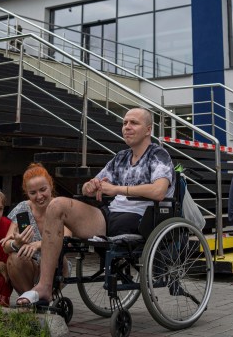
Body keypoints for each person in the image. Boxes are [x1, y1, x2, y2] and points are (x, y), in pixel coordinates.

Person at [16, 106, 173, 308]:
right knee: (56, 205)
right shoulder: (121, 158)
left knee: (75, 206)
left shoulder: (159, 155)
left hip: (141, 219)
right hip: (109, 216)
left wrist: (117, 189)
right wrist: (91, 186)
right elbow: (95, 184)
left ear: (148, 129)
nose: (127, 127)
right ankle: (44, 287)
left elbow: (159, 191)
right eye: (124, 123)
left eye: (134, 123)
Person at [0, 163, 71, 295]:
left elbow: (67, 240)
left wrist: (40, 244)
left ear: (51, 186)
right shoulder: (23, 209)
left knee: (48, 256)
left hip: (57, 266)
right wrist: (16, 243)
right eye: (33, 193)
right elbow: (6, 246)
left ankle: (43, 295)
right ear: (27, 193)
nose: (39, 196)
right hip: (29, 267)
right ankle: (31, 300)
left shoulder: (60, 207)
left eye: (43, 189)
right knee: (14, 258)